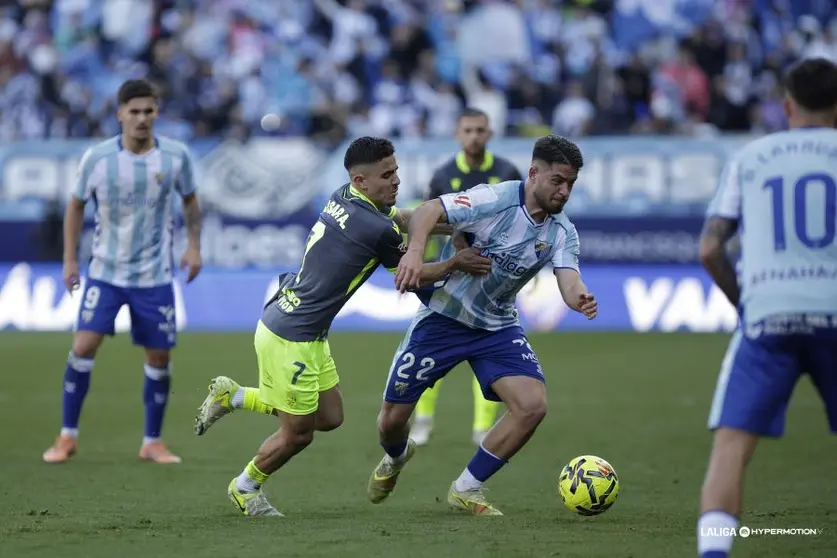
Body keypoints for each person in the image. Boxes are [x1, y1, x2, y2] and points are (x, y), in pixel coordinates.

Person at [193, 137, 492, 517]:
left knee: (330, 418)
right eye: (386, 175)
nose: (396, 180)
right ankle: (246, 487)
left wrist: (447, 226)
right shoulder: (373, 228)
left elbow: (399, 218)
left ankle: (232, 396)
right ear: (361, 179)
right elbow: (411, 276)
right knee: (297, 433)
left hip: (303, 328)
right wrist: (456, 262)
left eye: (396, 170)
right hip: (291, 335)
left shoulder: (345, 196)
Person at [367, 135, 598, 515]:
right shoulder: (495, 199)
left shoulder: (562, 231)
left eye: (570, 183)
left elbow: (569, 280)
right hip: (443, 317)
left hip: (497, 326)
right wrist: (412, 255)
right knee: (391, 422)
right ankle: (395, 456)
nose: (564, 190)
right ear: (534, 174)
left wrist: (580, 298)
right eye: (558, 180)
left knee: (532, 405)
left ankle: (467, 487)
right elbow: (426, 212)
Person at [696, 57, 837, 558]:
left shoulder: (751, 157)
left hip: (768, 314)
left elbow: (710, 249)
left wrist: (743, 305)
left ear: (787, 104)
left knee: (731, 446)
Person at [42, 79, 203, 464]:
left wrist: (194, 245)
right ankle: (67, 437)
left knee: (159, 357)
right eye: (134, 111)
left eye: (148, 111)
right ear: (120, 114)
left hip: (155, 276)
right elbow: (76, 206)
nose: (142, 118)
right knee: (83, 347)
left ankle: (152, 441)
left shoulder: (175, 156)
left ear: (156, 113)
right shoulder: (98, 158)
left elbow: (191, 200)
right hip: (105, 273)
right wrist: (69, 259)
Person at [414, 107, 524, 447]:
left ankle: (481, 428)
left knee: (486, 352)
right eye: (468, 130)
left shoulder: (507, 172)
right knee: (433, 349)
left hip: (495, 278)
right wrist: (423, 269)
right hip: (453, 275)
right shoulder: (443, 175)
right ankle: (423, 421)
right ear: (457, 134)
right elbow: (429, 224)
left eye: (480, 130)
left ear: (489, 133)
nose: (474, 136)